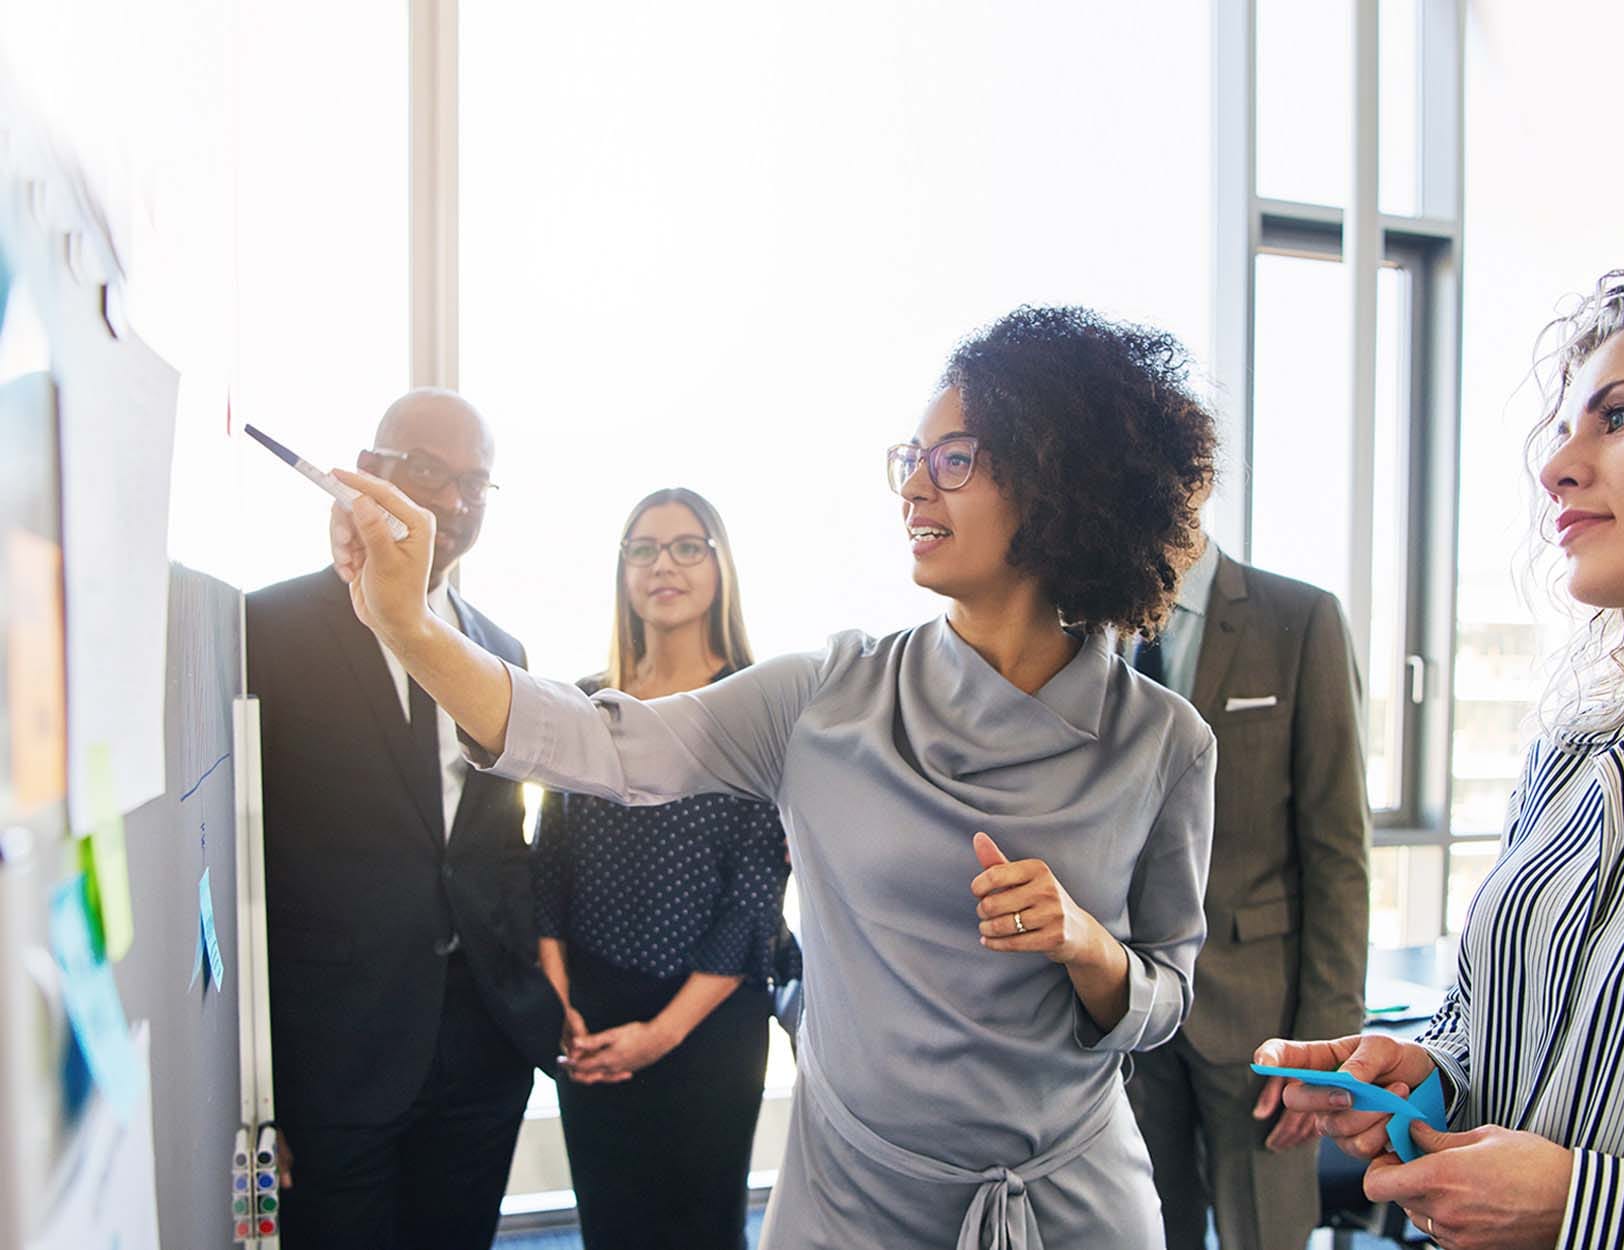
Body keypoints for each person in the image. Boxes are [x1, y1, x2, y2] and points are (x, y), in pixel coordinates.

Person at [327, 307, 1219, 1249]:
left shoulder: (1165, 742)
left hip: (1070, 1207)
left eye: (952, 460)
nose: (913, 487)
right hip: (854, 1203)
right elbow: (591, 742)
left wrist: (1088, 947)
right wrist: (412, 630)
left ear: (1057, 482)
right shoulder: (823, 697)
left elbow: (1165, 999)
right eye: (908, 458)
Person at [1257, 258, 1624, 1249]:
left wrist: (1586, 1209)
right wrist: (1429, 1075)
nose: (1556, 465)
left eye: (1617, 416)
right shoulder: (1573, 759)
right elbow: (1487, 1028)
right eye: (1564, 426)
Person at [246, 389, 560, 1250]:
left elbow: (497, 845)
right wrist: (267, 1089)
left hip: (482, 1046)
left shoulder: (504, 652)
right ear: (372, 470)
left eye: (476, 484)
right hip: (338, 1052)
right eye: (430, 472)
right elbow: (253, 866)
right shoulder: (266, 628)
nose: (455, 503)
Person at [533, 487, 796, 1248]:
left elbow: (754, 897)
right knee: (610, 1224)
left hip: (709, 1020)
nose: (663, 565)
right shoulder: (588, 704)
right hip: (591, 1008)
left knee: (701, 1228)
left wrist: (661, 1035)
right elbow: (549, 860)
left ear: (720, 566)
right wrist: (559, 1003)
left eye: (688, 546)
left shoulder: (758, 707)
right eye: (643, 548)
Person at [1126, 518, 1371, 1250]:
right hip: (1127, 1015)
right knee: (1144, 1232)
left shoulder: (1299, 619)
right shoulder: (1088, 626)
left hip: (1260, 1023)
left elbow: (1339, 852)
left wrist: (1322, 1047)